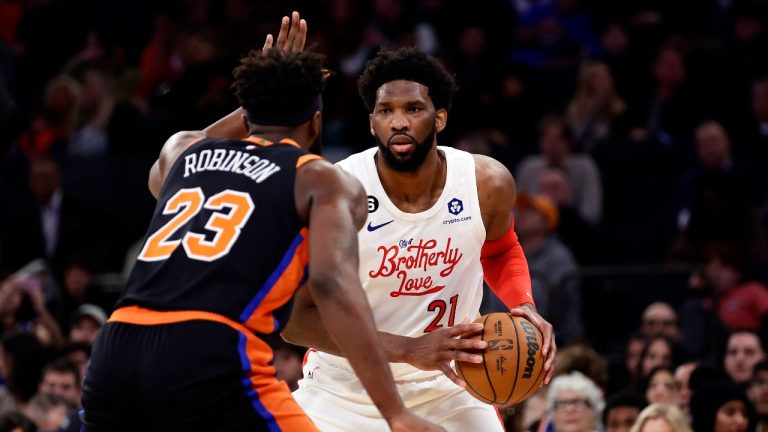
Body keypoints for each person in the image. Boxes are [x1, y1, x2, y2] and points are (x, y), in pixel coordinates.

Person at [81, 13, 443, 432]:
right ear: (316, 122)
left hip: (116, 347)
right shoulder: (320, 178)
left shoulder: (182, 151)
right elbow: (329, 286)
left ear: (247, 112)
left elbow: (166, 170)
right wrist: (395, 413)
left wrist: (259, 97)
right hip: (209, 348)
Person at [284, 46, 556, 431]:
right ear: (371, 123)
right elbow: (294, 321)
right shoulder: (335, 192)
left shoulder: (485, 183)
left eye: (413, 109)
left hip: (452, 384)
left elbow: (499, 250)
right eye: (386, 111)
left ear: (439, 117)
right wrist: (409, 349)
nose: (398, 122)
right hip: (344, 389)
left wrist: (524, 305)